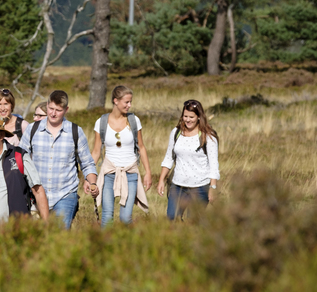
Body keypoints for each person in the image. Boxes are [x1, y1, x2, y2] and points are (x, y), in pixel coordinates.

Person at [20, 90, 98, 228]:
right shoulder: (32, 130)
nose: (53, 113)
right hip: (35, 195)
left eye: (58, 110)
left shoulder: (75, 131)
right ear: (47, 105)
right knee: (37, 238)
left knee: (58, 236)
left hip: (65, 194)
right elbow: (20, 160)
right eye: (50, 109)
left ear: (66, 110)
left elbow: (87, 163)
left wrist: (92, 182)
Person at [91, 85, 152, 227]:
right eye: (126, 102)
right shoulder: (101, 123)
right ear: (115, 101)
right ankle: (106, 247)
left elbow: (141, 147)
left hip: (130, 172)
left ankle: (127, 247)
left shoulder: (134, 121)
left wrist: (148, 173)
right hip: (109, 172)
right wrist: (89, 176)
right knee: (107, 217)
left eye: (130, 102)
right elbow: (96, 151)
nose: (129, 105)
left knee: (125, 218)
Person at [157, 99, 220, 220]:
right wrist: (161, 180)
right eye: (185, 116)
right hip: (178, 186)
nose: (187, 120)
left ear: (199, 117)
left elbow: (214, 166)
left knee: (193, 222)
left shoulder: (208, 136)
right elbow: (168, 158)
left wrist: (213, 188)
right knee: (172, 218)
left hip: (200, 187)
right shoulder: (176, 132)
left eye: (191, 117)